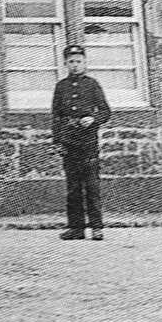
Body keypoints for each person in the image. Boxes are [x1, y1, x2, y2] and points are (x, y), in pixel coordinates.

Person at [52, 44, 111, 241]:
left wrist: (93, 119)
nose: (75, 65)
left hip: (88, 142)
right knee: (73, 187)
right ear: (65, 63)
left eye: (78, 61)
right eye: (71, 62)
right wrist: (57, 142)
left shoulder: (92, 85)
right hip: (70, 142)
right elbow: (56, 116)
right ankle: (76, 228)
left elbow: (105, 111)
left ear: (84, 63)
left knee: (92, 186)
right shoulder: (61, 87)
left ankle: (97, 227)